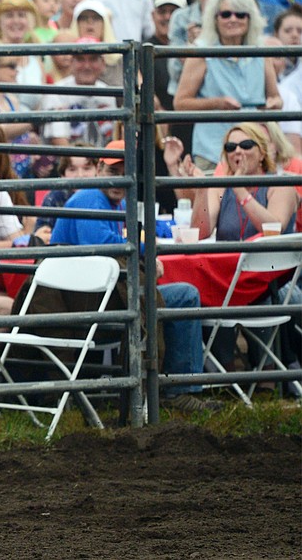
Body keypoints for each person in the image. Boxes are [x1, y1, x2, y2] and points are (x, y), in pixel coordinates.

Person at [50, 142, 224, 413]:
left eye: (125, 170)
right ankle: (178, 391)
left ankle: (170, 386)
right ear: (99, 170)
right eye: (113, 170)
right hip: (89, 302)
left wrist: (145, 249)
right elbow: (105, 246)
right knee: (185, 295)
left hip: (93, 297)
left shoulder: (105, 200)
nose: (120, 178)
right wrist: (146, 252)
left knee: (174, 294)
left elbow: (116, 244)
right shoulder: (89, 199)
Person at [174, 0, 280, 169]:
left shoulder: (261, 50)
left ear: (250, 19)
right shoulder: (201, 51)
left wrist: (273, 104)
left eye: (240, 15)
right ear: (214, 19)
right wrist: (217, 103)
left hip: (255, 149)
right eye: (226, 14)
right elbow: (180, 103)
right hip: (213, 150)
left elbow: (276, 97)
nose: (233, 19)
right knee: (213, 198)